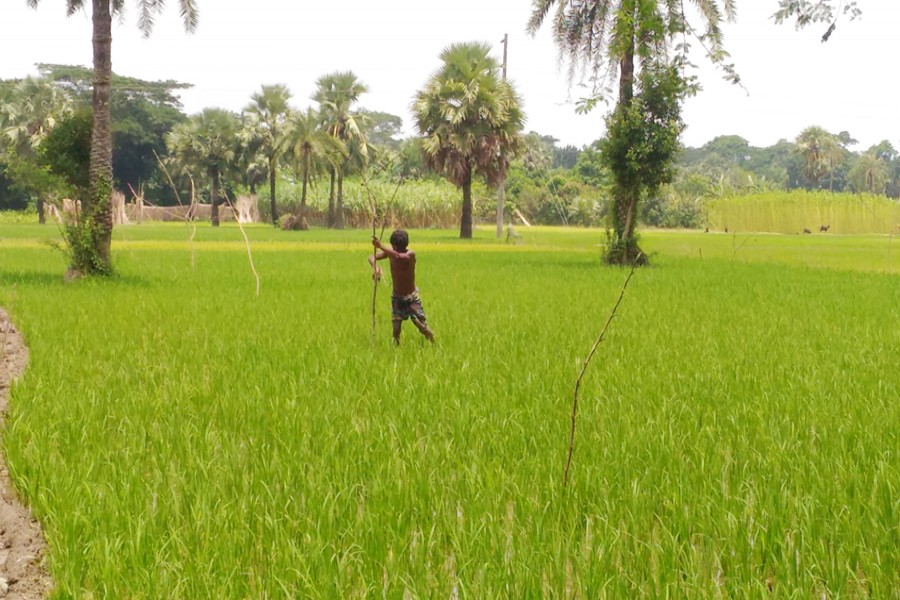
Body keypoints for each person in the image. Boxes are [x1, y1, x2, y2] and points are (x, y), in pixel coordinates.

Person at [369, 230, 435, 345]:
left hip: (411, 297)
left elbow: (398, 257)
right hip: (397, 297)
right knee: (396, 328)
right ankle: (396, 348)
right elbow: (371, 257)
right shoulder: (391, 252)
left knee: (422, 326)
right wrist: (376, 268)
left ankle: (433, 342)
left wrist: (381, 246)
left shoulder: (410, 255)